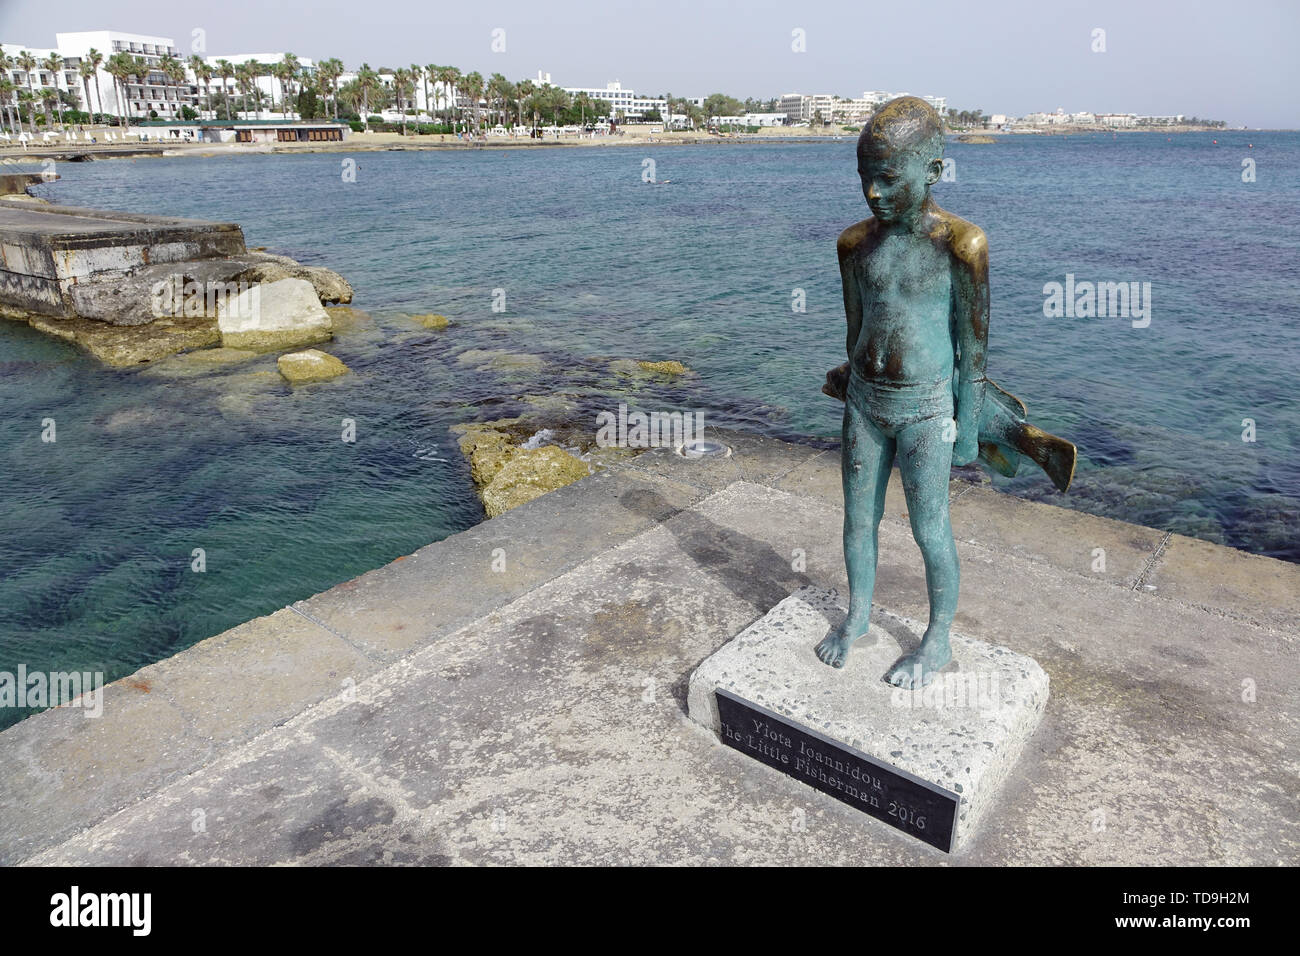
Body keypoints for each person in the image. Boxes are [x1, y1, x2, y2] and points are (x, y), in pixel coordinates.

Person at [814, 96, 1074, 687]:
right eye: (864, 179)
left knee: (930, 528)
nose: (873, 193)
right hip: (866, 404)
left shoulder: (961, 246)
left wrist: (967, 425)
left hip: (927, 408)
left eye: (887, 178)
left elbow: (973, 351)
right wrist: (849, 379)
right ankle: (856, 617)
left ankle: (937, 639)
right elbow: (856, 329)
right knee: (858, 520)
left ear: (933, 170)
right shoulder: (854, 245)